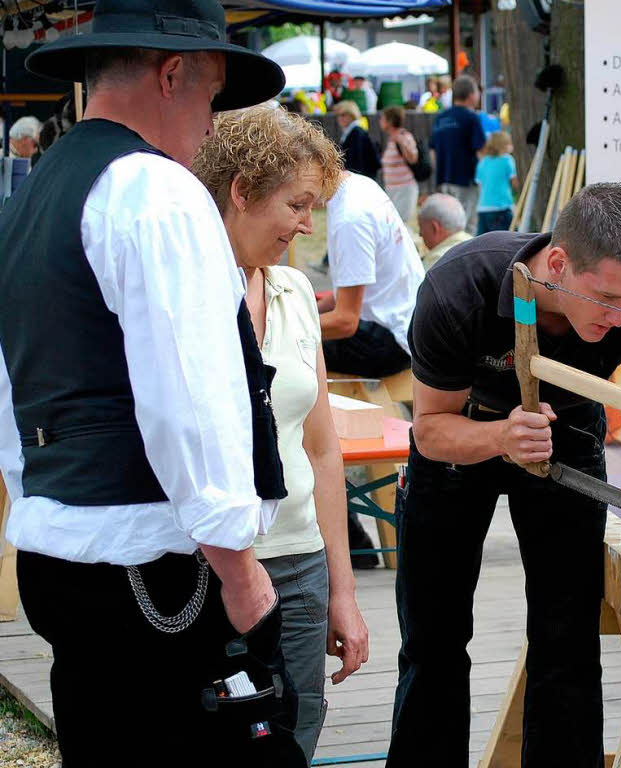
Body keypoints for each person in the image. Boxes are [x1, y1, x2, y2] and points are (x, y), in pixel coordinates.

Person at [0, 0, 307, 766]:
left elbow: (13, 394)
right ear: (172, 74)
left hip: (58, 551)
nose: (210, 128)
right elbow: (187, 399)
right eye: (210, 98)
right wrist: (239, 567)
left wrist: (38, 494)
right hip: (155, 570)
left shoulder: (28, 200)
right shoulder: (155, 192)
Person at [387, 183, 621, 767]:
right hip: (463, 434)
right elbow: (430, 429)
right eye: (605, 298)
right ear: (557, 263)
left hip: (568, 433)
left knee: (567, 635)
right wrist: (501, 436)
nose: (618, 317)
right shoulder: (459, 287)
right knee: (434, 640)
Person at [193, 107, 370, 766]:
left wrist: (342, 593)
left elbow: (322, 447)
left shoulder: (296, 291)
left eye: (315, 207)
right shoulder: (183, 292)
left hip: (299, 563)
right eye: (297, 204)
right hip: (207, 566)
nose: (306, 225)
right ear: (240, 191)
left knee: (298, 726)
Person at [319, 170, 425, 567]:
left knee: (282, 364)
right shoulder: (360, 185)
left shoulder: (348, 217)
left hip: (387, 343)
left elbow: (345, 321)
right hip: (400, 324)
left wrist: (282, 320)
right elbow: (356, 292)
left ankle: (345, 536)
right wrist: (316, 303)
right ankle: (349, 533)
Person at [430, 75, 485, 232]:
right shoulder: (471, 118)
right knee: (465, 227)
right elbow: (481, 149)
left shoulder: (441, 118)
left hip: (443, 180)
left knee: (448, 224)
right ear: (471, 95)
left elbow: (433, 151)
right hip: (466, 180)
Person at [379, 106, 419, 224]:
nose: (380, 121)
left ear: (390, 121)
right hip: (392, 190)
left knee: (400, 224)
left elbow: (413, 158)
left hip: (404, 189)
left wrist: (402, 142)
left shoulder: (403, 136)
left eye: (383, 119)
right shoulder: (390, 139)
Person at [475, 130, 518, 234]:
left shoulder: (482, 162)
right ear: (504, 145)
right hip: (501, 207)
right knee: (507, 239)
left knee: (484, 242)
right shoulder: (507, 160)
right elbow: (514, 183)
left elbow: (479, 185)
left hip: (483, 208)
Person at [418, 192, 471, 270]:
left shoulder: (437, 261)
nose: (420, 234)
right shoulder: (476, 246)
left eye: (421, 228)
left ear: (434, 227)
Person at [333, 100, 380, 180]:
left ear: (352, 115)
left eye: (343, 115)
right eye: (338, 115)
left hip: (361, 179)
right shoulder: (351, 132)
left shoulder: (356, 133)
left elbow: (357, 162)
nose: (339, 118)